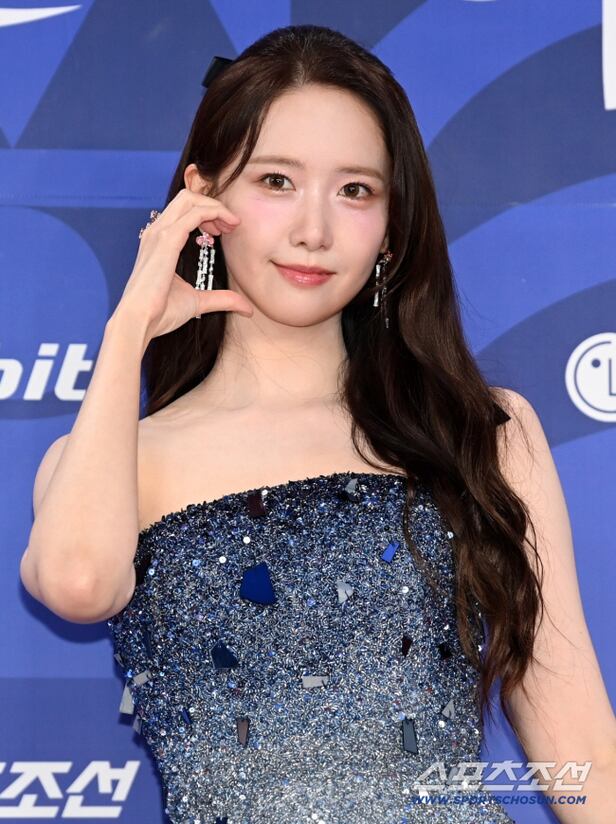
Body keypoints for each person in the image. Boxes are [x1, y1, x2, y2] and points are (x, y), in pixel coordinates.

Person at [20, 23, 615, 824]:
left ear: (392, 225)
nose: (314, 230)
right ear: (202, 200)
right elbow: (78, 584)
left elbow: (583, 750)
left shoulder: (481, 431)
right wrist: (129, 329)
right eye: (276, 181)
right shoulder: (120, 460)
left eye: (355, 191)